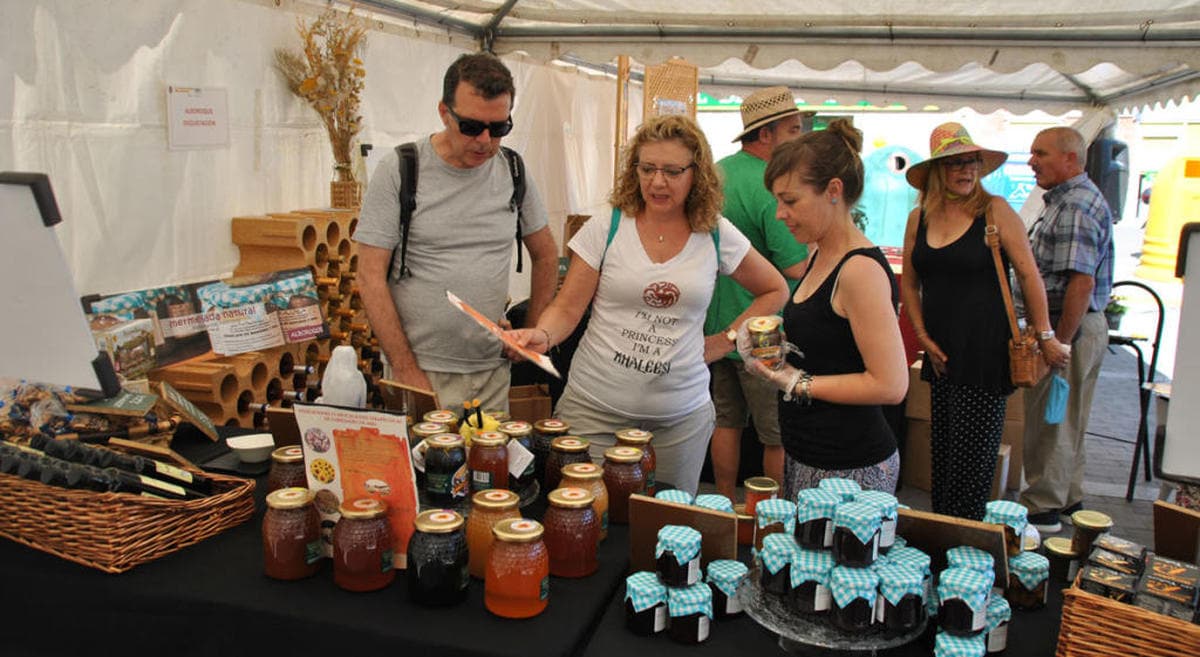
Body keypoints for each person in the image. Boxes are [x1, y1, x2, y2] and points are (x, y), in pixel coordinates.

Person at [505, 115, 789, 495]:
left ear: (697, 174)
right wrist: (541, 333)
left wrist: (726, 340)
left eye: (672, 171)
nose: (657, 182)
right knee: (583, 517)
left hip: (679, 423)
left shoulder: (715, 233)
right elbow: (568, 308)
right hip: (594, 411)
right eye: (647, 168)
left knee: (666, 531)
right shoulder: (608, 225)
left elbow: (774, 289)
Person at [354, 53, 558, 412]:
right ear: (444, 112)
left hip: (490, 372)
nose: (485, 140)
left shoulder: (512, 169)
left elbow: (545, 254)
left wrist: (531, 330)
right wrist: (404, 367)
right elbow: (370, 276)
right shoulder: (401, 170)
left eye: (498, 128)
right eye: (472, 127)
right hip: (420, 371)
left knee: (489, 467)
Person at [900, 122, 1070, 521]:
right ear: (938, 171)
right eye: (956, 163)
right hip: (942, 356)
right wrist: (923, 335)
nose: (966, 170)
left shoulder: (994, 210)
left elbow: (1029, 274)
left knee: (972, 469)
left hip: (985, 353)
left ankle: (966, 548)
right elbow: (909, 282)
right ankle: (944, 543)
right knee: (942, 462)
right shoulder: (918, 217)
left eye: (972, 161)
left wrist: (1045, 333)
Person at [741, 119, 909, 500]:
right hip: (810, 452)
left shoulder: (859, 270)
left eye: (790, 200)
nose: (780, 214)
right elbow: (831, 342)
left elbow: (891, 384)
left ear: (834, 190)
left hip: (849, 464)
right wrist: (773, 343)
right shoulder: (820, 253)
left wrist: (796, 381)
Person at [705, 86, 810, 500]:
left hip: (717, 327)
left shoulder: (715, 173)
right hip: (763, 332)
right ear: (766, 135)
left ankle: (725, 504)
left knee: (725, 422)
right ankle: (770, 515)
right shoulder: (773, 186)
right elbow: (794, 266)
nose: (799, 139)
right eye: (794, 129)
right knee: (775, 435)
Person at [1016, 126, 1114, 534]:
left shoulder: (1074, 204)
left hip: (1067, 324)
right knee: (1070, 415)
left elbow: (1081, 282)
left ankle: (1043, 508)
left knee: (1051, 419)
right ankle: (1070, 498)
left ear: (1070, 158)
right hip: (1079, 326)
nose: (1031, 161)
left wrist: (1057, 342)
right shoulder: (1070, 199)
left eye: (1041, 153)